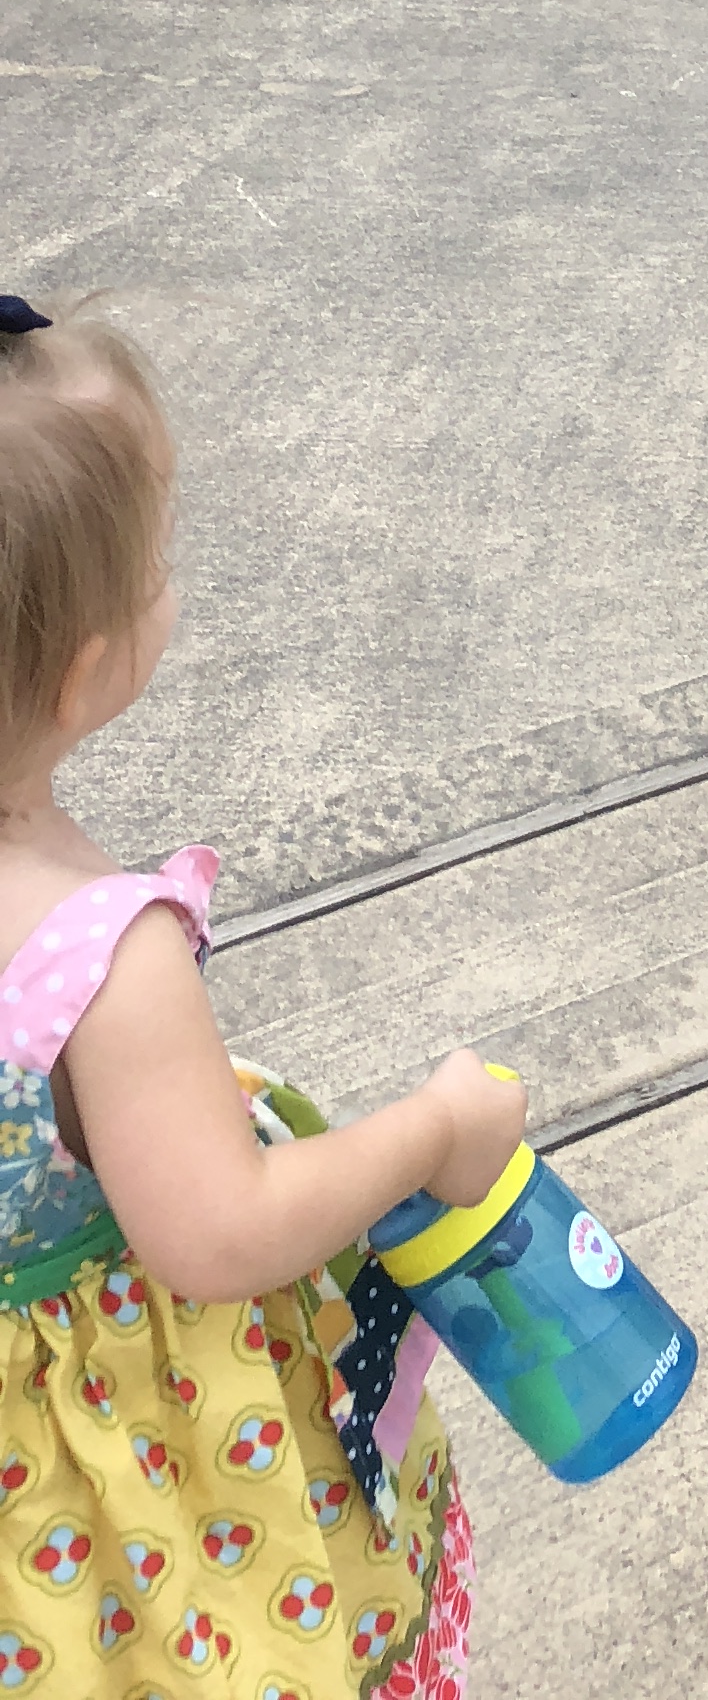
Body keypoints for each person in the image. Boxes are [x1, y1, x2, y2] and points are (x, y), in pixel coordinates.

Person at [0, 290, 516, 1689]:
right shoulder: (104, 959)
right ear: (85, 670)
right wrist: (432, 1129)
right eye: (155, 563)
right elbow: (218, 1233)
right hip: (107, 1481)